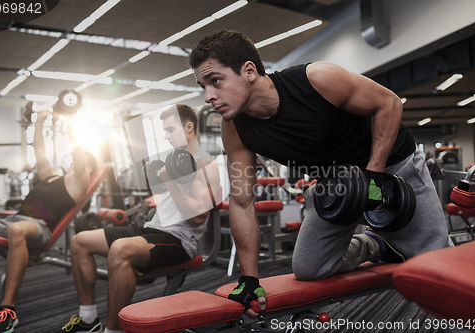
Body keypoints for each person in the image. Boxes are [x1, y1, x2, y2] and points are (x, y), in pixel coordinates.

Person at [189, 29, 452, 317]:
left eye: (215, 81)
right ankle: (375, 244)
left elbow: (388, 103)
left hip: (391, 168)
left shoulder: (317, 80)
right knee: (309, 268)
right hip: (336, 185)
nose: (208, 96)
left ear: (249, 70)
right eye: (203, 86)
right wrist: (250, 279)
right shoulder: (235, 129)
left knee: (441, 270)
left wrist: (373, 178)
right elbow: (242, 202)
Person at [50, 104, 220, 333]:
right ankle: (89, 319)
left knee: (120, 249)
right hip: (153, 229)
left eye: (170, 130)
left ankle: (113, 331)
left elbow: (199, 218)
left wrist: (169, 181)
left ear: (189, 127)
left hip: (180, 240)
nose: (166, 136)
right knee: (79, 241)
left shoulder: (204, 164)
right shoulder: (178, 159)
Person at [0, 109, 98, 333]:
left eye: (78, 162)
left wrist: (71, 124)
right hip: (15, 221)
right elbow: (39, 150)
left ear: (86, 168)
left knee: (16, 230)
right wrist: (40, 120)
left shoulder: (79, 183)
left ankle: (7, 312)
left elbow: (78, 153)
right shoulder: (52, 176)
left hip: (38, 228)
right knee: (9, 227)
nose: (72, 162)